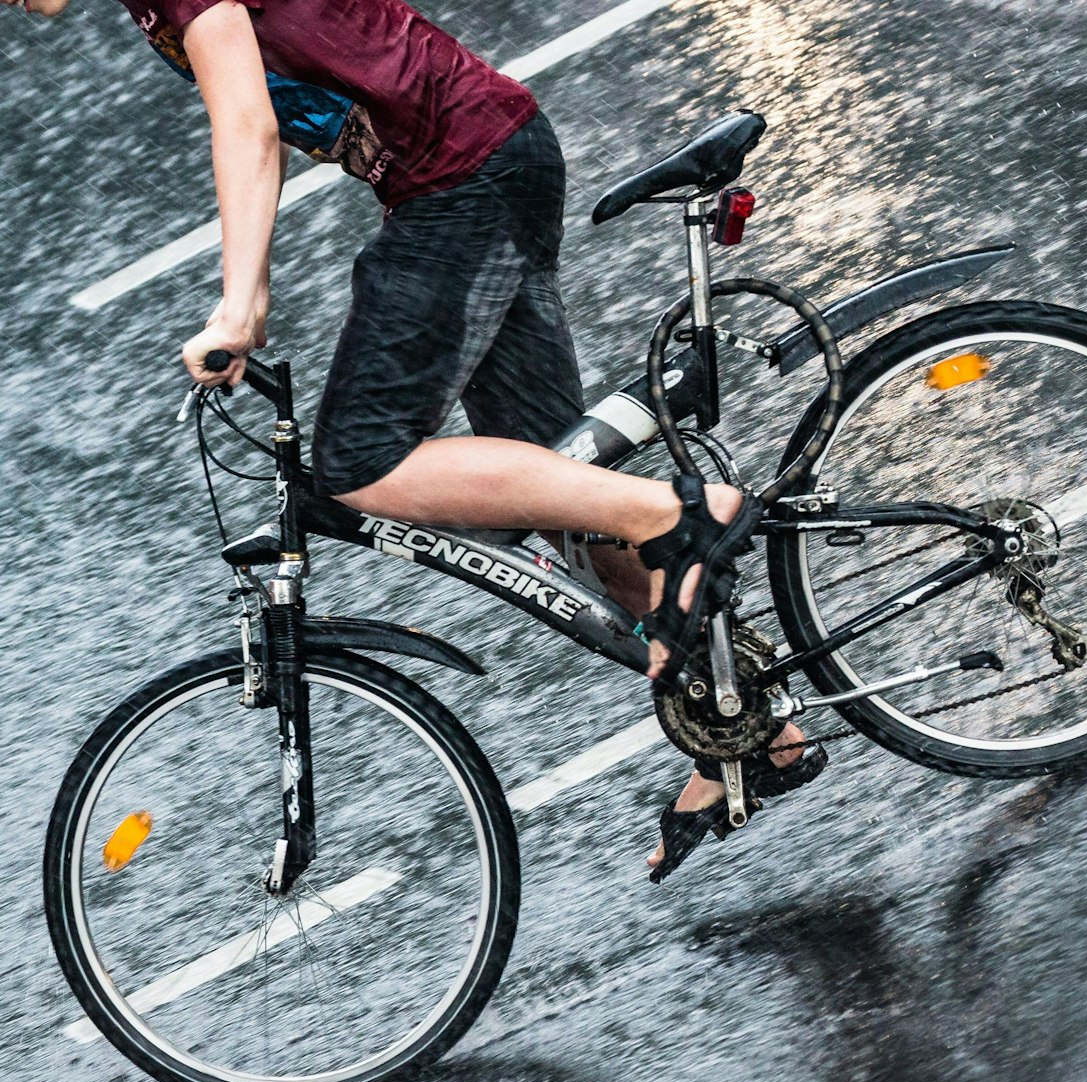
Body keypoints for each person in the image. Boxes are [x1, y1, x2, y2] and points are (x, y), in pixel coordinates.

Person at [7, 0, 817, 881]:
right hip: (480, 165)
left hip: (463, 179)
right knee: (565, 499)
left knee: (360, 458)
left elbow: (247, 124)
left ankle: (682, 515)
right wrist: (253, 295)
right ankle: (752, 730)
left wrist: (238, 304)